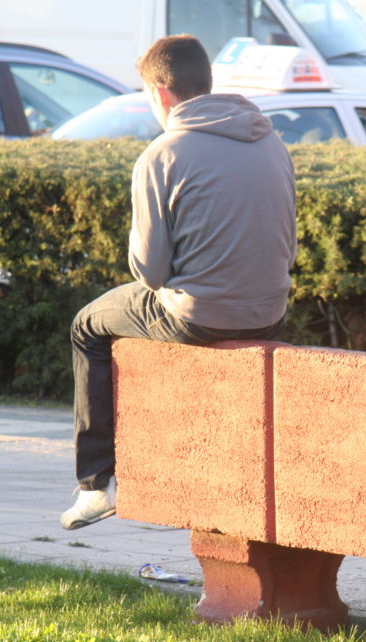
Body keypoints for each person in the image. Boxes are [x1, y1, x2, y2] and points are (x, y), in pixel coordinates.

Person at [60, 34, 297, 530]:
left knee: (87, 325)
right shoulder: (269, 139)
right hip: (271, 310)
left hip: (199, 315)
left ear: (161, 94)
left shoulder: (163, 154)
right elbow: (288, 245)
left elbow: (148, 273)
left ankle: (94, 485)